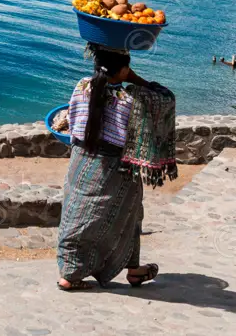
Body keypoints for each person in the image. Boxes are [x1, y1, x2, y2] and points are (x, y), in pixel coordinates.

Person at [57, 43, 177, 291]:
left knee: (77, 214)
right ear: (123, 69)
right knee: (129, 214)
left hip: (81, 160)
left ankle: (76, 270)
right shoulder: (131, 100)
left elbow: (73, 120)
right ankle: (115, 271)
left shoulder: (82, 86)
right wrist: (132, 77)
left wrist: (120, 72)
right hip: (117, 167)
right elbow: (167, 98)